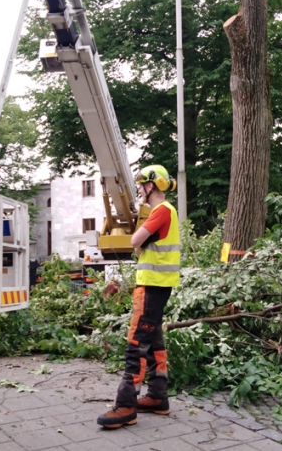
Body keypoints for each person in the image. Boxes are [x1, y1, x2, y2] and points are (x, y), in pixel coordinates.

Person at [98, 165, 180, 429]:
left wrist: (138, 240)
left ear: (152, 186)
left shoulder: (161, 211)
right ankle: (157, 396)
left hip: (151, 286)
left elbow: (135, 240)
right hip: (159, 286)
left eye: (141, 184)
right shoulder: (168, 212)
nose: (139, 189)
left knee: (136, 343)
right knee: (154, 341)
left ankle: (126, 405)